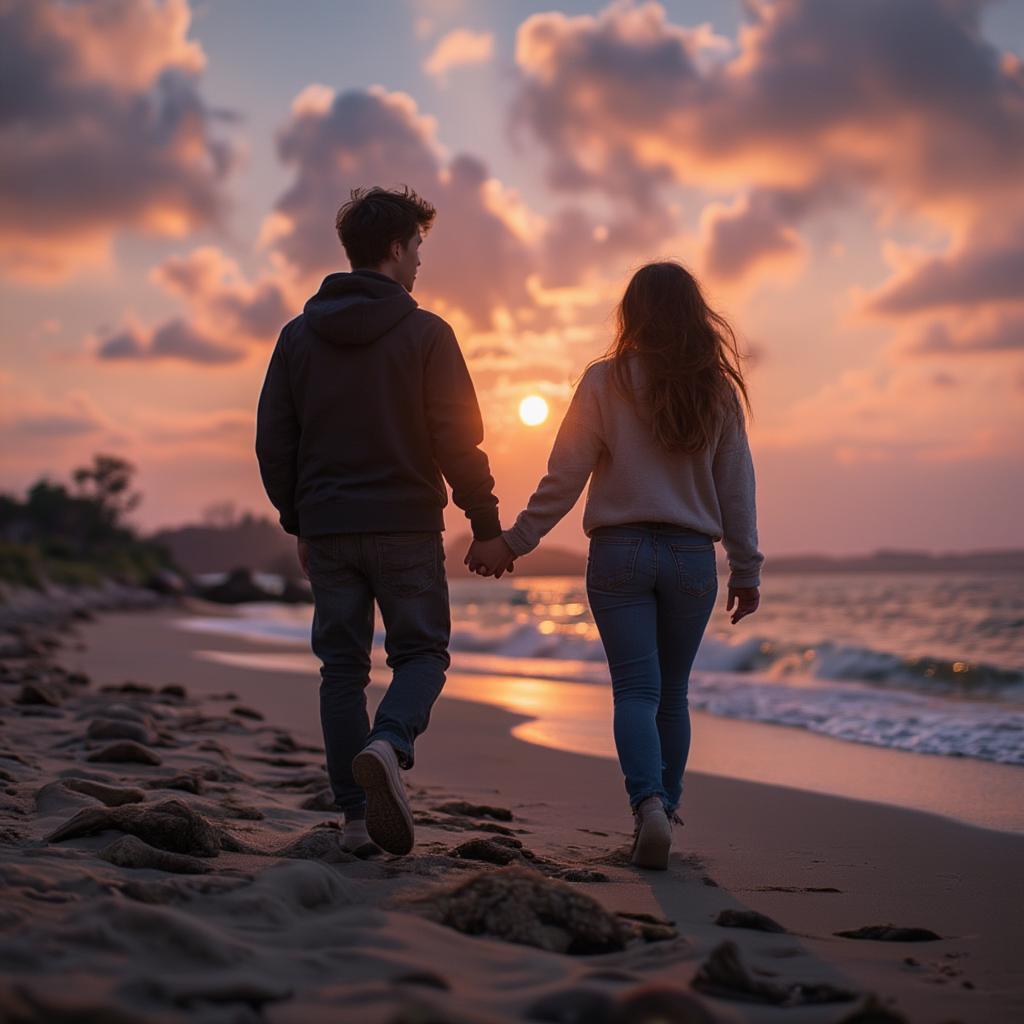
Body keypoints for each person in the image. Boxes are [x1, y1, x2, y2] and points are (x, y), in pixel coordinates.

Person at [468, 261, 763, 870]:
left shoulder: (606, 381)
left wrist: (515, 542)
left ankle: (647, 808)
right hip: (690, 558)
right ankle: (667, 813)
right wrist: (746, 567)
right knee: (672, 694)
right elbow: (737, 486)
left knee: (635, 689)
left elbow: (564, 477)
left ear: (633, 314)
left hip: (620, 552)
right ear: (694, 315)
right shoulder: (716, 389)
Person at [256, 186, 510, 857]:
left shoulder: (297, 337)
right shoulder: (427, 334)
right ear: (397, 248)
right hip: (405, 525)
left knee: (341, 670)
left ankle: (354, 820)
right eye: (419, 246)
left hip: (331, 529)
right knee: (422, 654)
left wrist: (299, 523)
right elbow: (458, 437)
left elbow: (273, 442)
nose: (422, 261)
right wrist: (484, 523)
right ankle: (390, 744)